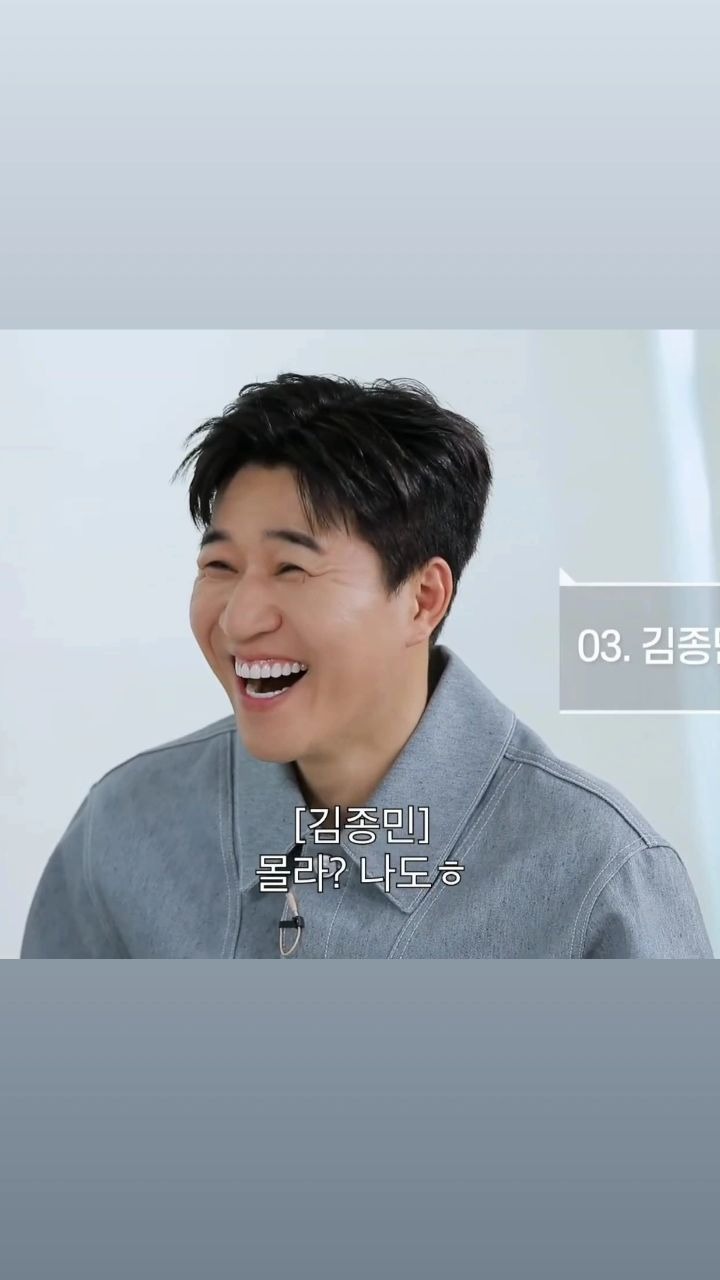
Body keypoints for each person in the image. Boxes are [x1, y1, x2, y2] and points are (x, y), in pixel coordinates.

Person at [20, 373, 714, 959]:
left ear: (423, 598)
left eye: (292, 568)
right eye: (220, 566)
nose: (237, 619)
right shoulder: (126, 829)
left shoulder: (598, 878)